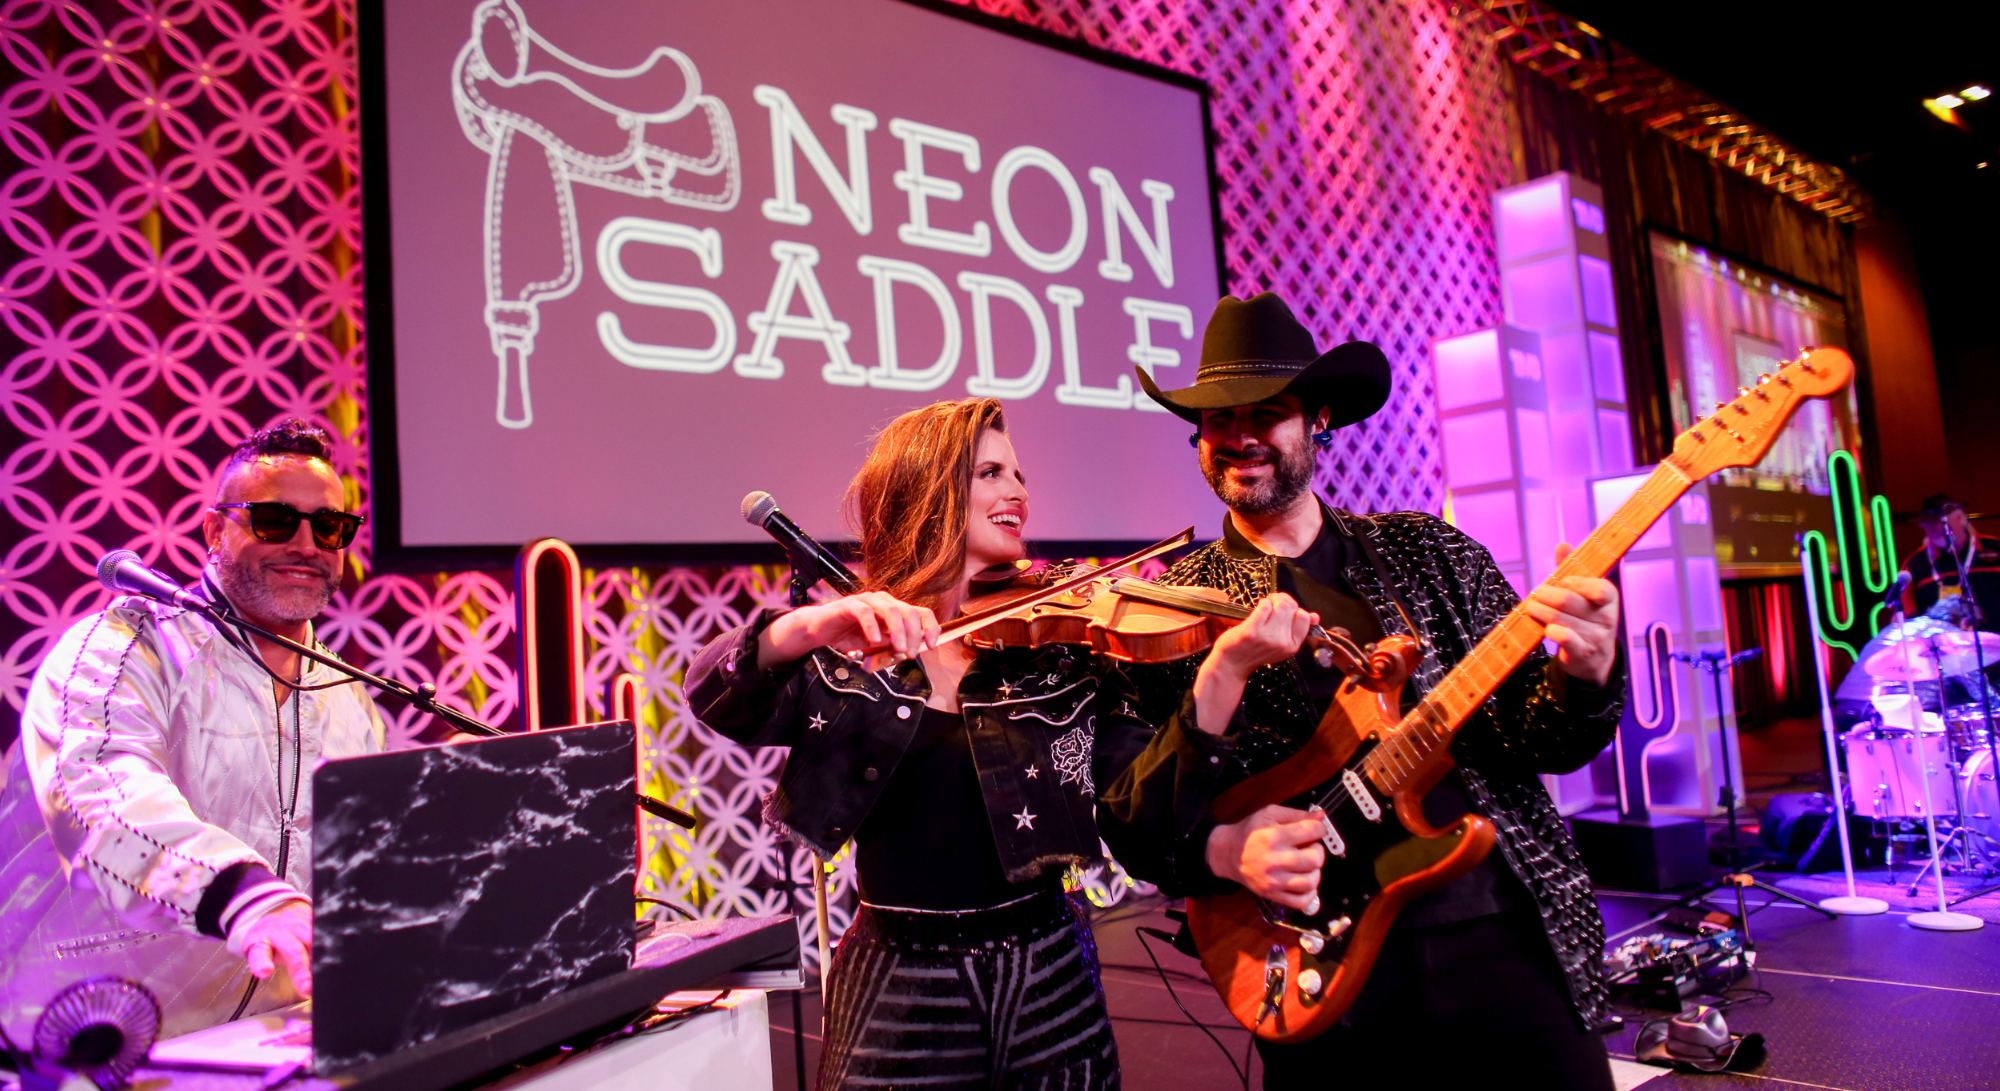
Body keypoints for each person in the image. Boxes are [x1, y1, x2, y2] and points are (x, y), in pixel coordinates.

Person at [1099, 293, 1627, 1090]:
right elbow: (1134, 817)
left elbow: (1540, 737)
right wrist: (1221, 848)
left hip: (1505, 928)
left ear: (1318, 420)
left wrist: (1584, 672)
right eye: (1218, 418)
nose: (1239, 435)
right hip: (1324, 965)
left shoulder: (1433, 553)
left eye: (1266, 412)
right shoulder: (1170, 608)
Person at [684, 398, 1239, 1090]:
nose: (1019, 492)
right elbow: (713, 694)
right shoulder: (852, 652)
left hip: (1049, 970)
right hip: (900, 979)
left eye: (1020, 475)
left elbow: (1142, 800)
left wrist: (1221, 680)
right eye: (992, 473)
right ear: (929, 490)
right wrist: (807, 627)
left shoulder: (1058, 650)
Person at [0, 419, 384, 1041]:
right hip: (85, 1049)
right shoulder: (122, 649)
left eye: (330, 527)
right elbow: (104, 799)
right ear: (214, 531)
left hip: (266, 1042)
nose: (306, 545)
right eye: (275, 521)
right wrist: (245, 896)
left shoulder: (348, 694)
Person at [1902, 493, 2000, 631]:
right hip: (1943, 643)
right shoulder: (1914, 565)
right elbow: (1903, 619)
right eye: (1929, 524)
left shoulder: (1995, 549)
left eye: (1941, 523)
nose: (1936, 529)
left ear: (1961, 519)